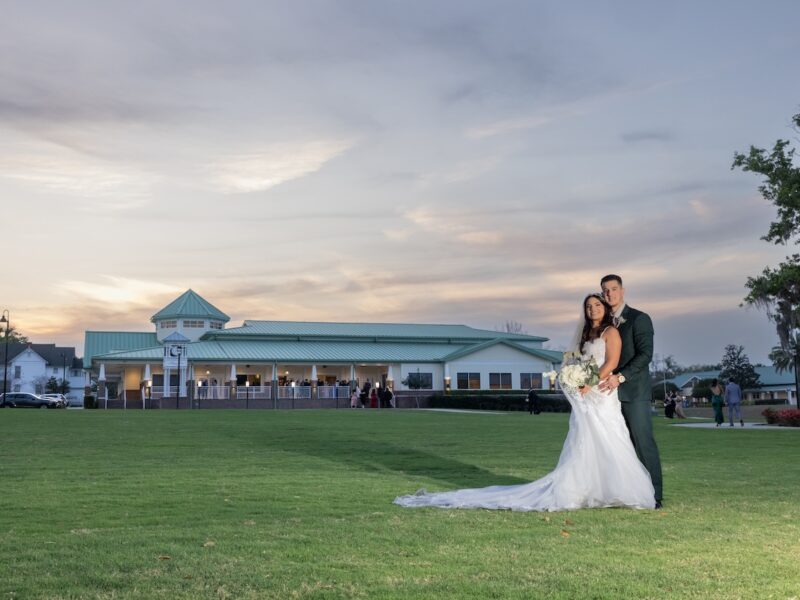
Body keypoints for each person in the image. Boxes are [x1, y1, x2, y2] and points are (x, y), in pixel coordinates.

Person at [394, 293, 655, 512]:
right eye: (588, 306)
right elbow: (577, 360)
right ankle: (583, 488)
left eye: (597, 305)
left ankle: (618, 489)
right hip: (585, 392)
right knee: (583, 438)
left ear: (605, 308)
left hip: (601, 392)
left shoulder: (611, 332)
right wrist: (574, 378)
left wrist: (590, 382)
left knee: (610, 437)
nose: (593, 309)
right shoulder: (586, 335)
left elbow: (611, 362)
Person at [597, 274, 663, 508]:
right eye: (605, 290)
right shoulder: (601, 322)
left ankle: (654, 496)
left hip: (633, 392)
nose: (609, 294)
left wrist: (621, 377)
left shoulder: (639, 319)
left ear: (622, 291)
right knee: (616, 446)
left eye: (613, 289)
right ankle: (623, 493)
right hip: (606, 396)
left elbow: (645, 355)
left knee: (642, 443)